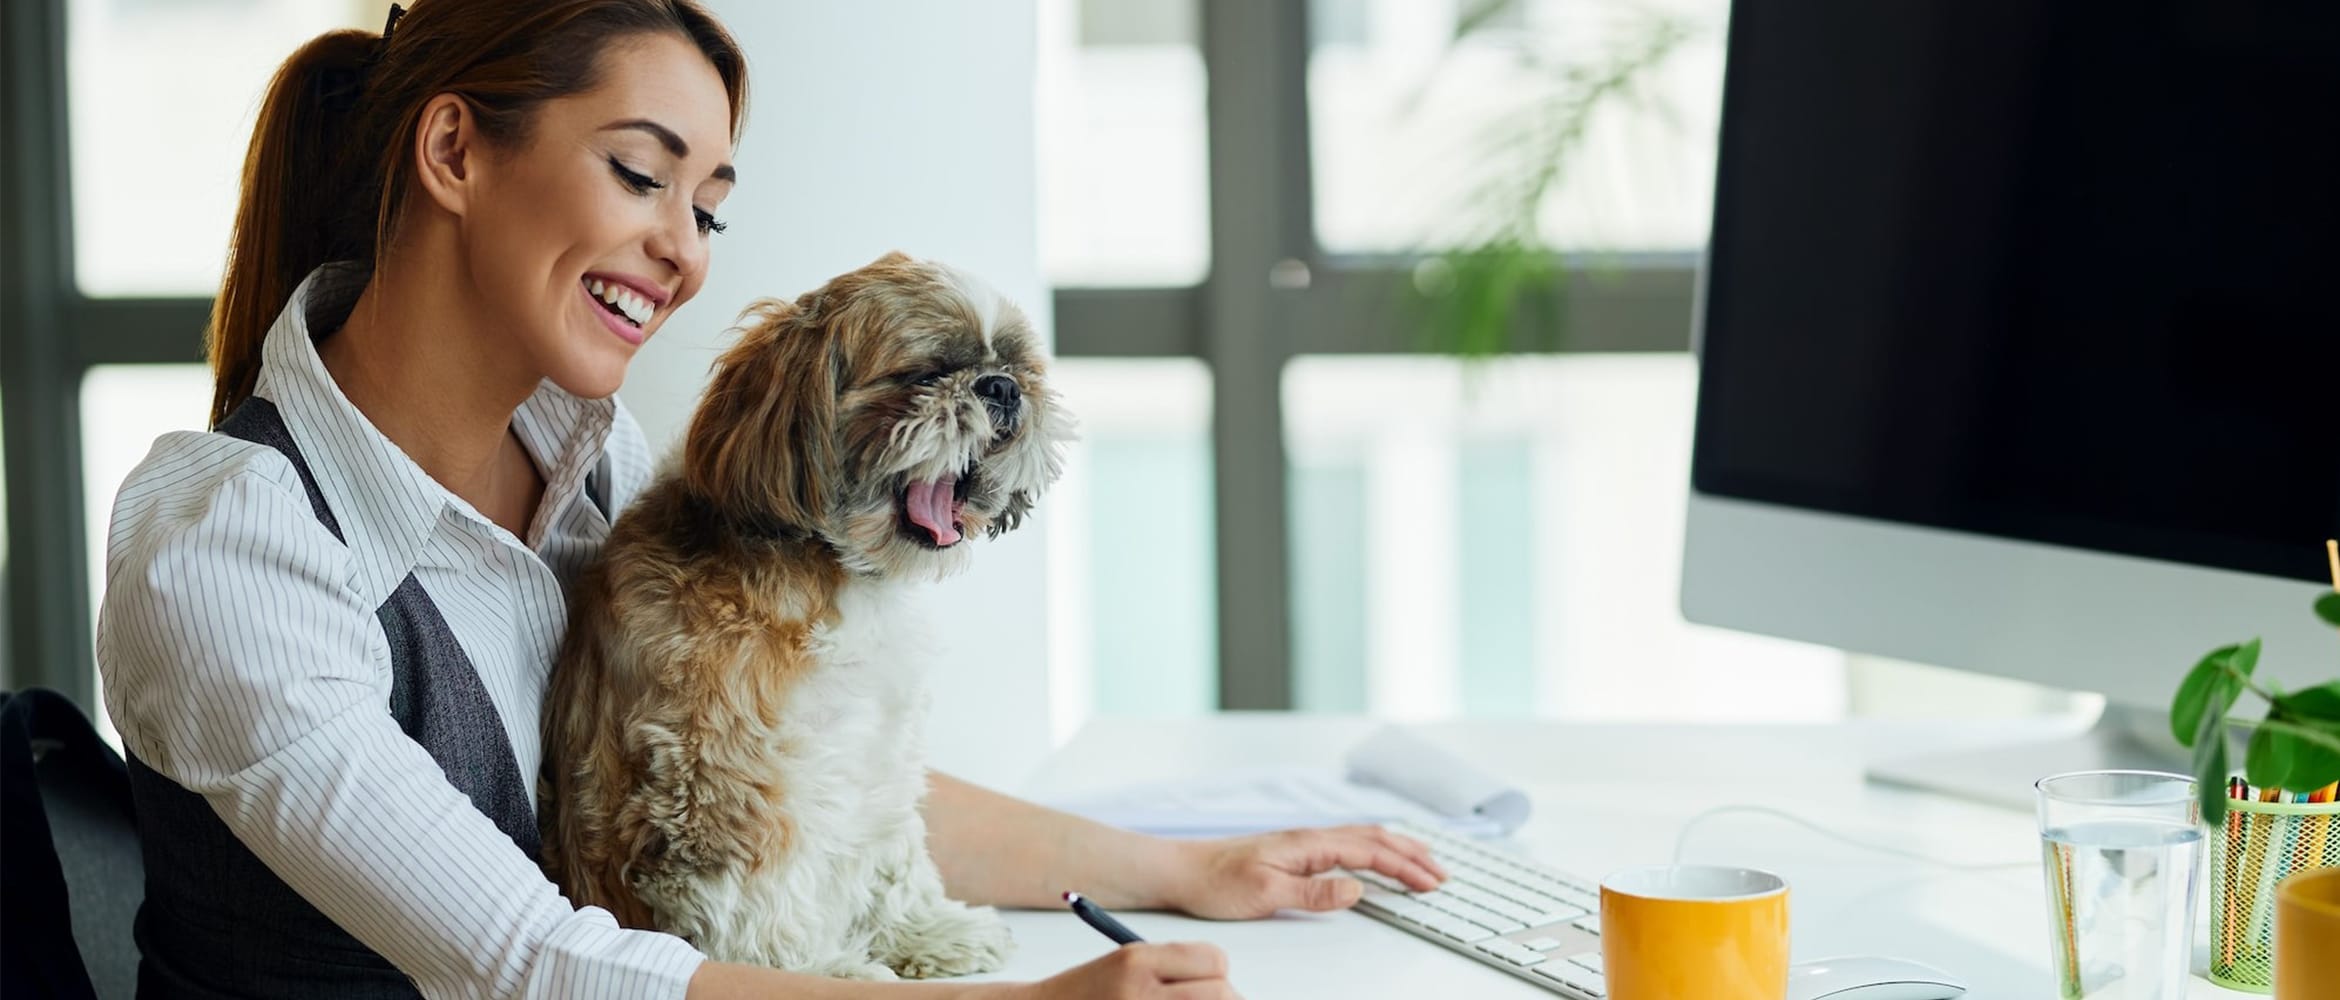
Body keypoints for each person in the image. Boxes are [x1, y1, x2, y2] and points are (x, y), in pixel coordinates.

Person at [92, 3, 1446, 998]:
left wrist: (1175, 869)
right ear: (454, 151)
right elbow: (528, 960)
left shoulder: (590, 469)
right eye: (641, 173)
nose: (680, 251)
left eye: (709, 205)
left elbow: (807, 781)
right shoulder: (230, 550)